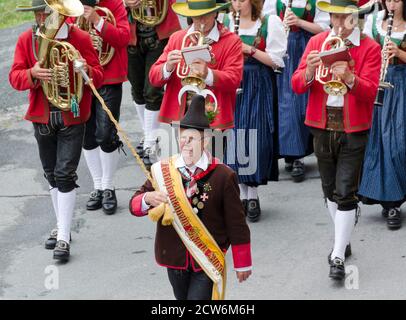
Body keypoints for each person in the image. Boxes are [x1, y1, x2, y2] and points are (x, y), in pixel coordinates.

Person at [129, 94, 252, 300]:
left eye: (192, 138)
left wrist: (243, 262)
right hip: (174, 259)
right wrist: (148, 198)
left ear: (206, 141)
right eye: (182, 137)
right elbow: (134, 205)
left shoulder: (223, 175)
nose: (185, 143)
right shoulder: (162, 170)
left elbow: (236, 223)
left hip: (206, 259)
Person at [291, 0, 381, 281]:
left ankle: (338, 255)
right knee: (329, 190)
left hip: (353, 127)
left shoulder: (370, 47)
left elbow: (370, 93)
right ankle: (343, 237)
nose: (338, 23)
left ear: (354, 18)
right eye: (333, 16)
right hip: (321, 124)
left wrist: (351, 77)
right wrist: (308, 71)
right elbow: (296, 84)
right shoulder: (318, 40)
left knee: (345, 191)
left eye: (343, 17)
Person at [9, 0, 104, 261]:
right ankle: (63, 226)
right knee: (51, 173)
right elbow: (15, 77)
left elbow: (100, 74)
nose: (42, 19)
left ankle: (63, 238)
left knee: (65, 173)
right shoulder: (26, 40)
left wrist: (85, 69)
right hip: (42, 116)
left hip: (71, 115)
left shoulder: (80, 37)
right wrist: (32, 73)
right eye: (39, 14)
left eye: (46, 14)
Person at [222, 0, 287, 221]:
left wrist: (248, 49)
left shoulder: (269, 22)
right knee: (235, 136)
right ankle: (241, 195)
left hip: (259, 82)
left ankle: (253, 194)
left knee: (256, 139)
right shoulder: (226, 21)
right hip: (232, 82)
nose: (237, 3)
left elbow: (277, 61)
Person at [149, 0, 244, 132]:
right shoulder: (177, 38)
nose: (202, 20)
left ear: (215, 13)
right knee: (181, 152)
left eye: (206, 14)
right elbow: (153, 78)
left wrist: (208, 74)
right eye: (196, 16)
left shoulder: (232, 41)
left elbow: (234, 80)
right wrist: (168, 66)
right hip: (180, 113)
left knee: (213, 152)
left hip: (213, 115)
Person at [263, 0, 330, 182]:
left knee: (304, 103)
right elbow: (266, 23)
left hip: (310, 49)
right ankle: (293, 155)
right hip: (284, 49)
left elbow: (325, 29)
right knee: (287, 105)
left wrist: (299, 22)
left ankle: (303, 151)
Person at [79, 0, 130, 215]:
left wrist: (98, 21)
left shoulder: (115, 4)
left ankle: (108, 186)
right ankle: (98, 185)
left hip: (109, 77)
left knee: (106, 134)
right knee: (87, 136)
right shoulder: (72, 6)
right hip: (81, 78)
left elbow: (123, 39)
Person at [359, 0, 406, 230]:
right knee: (382, 143)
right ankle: (391, 202)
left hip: (403, 86)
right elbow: (364, 53)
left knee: (399, 144)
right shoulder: (375, 22)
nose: (391, 3)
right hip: (380, 86)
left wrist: (399, 53)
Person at [124, 0, 182, 166]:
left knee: (152, 90)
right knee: (136, 89)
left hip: (159, 33)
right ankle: (147, 133)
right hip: (131, 34)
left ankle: (150, 141)